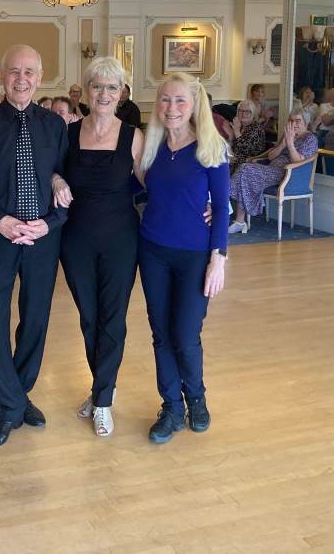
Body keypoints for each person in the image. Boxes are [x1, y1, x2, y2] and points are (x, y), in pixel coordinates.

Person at [0, 44, 68, 448]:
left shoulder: (55, 127)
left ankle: (20, 393)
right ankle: (9, 406)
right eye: (14, 72)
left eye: (29, 72)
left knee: (36, 318)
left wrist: (48, 223)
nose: (21, 79)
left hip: (42, 238)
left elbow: (67, 185)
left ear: (40, 78)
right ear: (1, 76)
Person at [135, 72, 229, 444]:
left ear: (193, 106)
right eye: (165, 99)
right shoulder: (151, 147)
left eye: (179, 101)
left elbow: (220, 208)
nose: (171, 108)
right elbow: (134, 186)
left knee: (186, 334)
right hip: (153, 251)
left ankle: (196, 398)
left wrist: (218, 259)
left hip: (194, 256)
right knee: (161, 334)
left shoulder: (211, 148)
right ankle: (171, 406)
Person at [58, 58, 144, 437]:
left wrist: (204, 205)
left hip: (121, 239)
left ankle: (103, 400)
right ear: (86, 90)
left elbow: (155, 183)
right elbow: (53, 171)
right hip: (75, 239)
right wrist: (56, 180)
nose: (104, 94)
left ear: (121, 93)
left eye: (112, 87)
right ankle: (100, 388)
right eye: (97, 86)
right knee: (89, 318)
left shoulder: (134, 137)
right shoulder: (69, 133)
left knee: (113, 318)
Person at [228, 110, 318, 233]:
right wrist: (283, 144)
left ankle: (227, 199)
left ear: (306, 123)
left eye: (298, 121)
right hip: (272, 170)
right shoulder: (287, 135)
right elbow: (271, 156)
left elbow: (298, 162)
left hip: (288, 174)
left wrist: (290, 145)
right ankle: (239, 221)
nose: (294, 124)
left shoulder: (310, 139)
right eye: (291, 120)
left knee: (245, 169)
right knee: (244, 174)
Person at [229, 100, 266, 171]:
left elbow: (246, 150)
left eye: (247, 111)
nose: (243, 114)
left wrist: (236, 131)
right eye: (241, 111)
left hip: (248, 164)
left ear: (253, 113)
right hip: (234, 159)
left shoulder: (256, 128)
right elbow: (232, 145)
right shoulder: (240, 125)